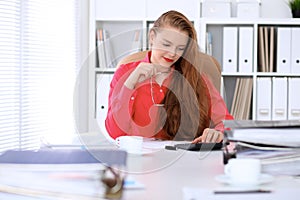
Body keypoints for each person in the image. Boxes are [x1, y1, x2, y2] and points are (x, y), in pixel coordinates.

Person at [105, 10, 233, 143]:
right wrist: (130, 83)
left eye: (180, 48)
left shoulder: (196, 78)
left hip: (184, 158)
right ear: (152, 37)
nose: (172, 53)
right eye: (166, 44)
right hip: (139, 159)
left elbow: (226, 122)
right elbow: (115, 132)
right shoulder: (125, 73)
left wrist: (218, 133)